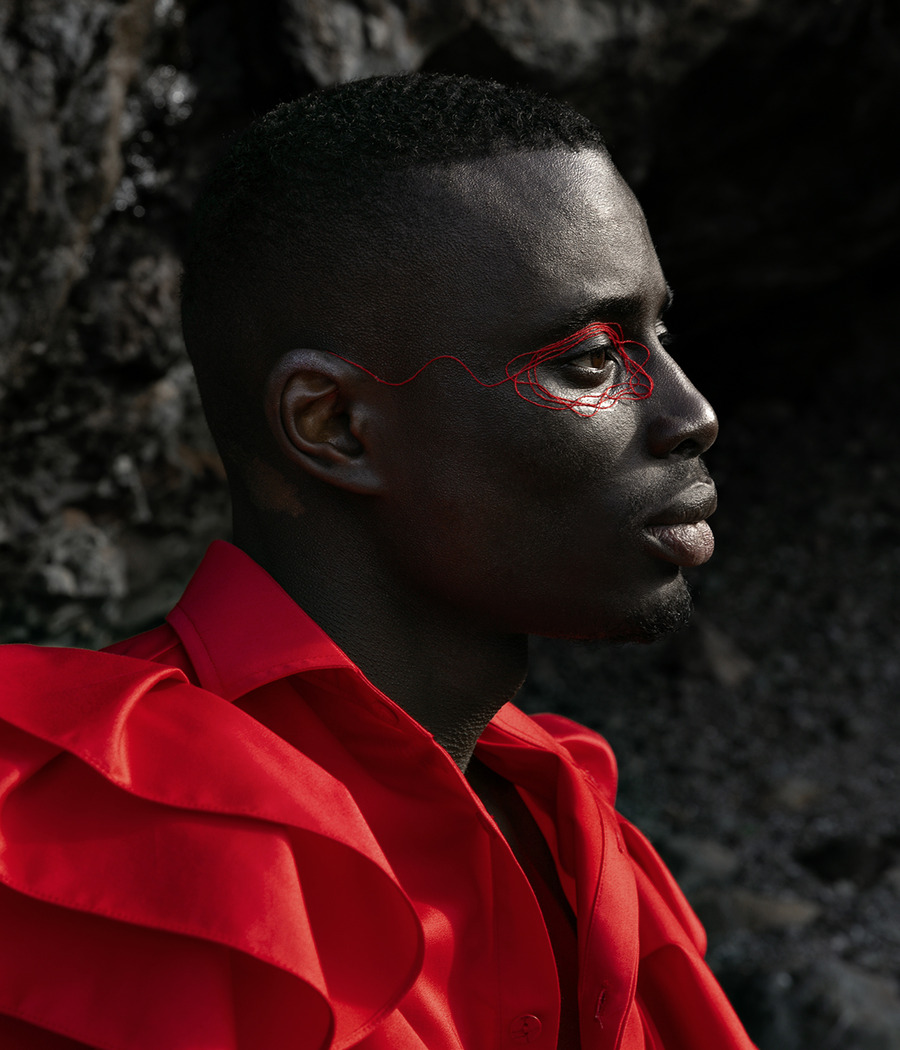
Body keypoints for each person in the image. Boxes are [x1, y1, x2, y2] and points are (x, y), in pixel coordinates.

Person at [0, 74, 755, 1049]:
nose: (695, 413)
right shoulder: (56, 842)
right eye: (589, 359)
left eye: (661, 334)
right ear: (335, 426)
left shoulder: (586, 839)